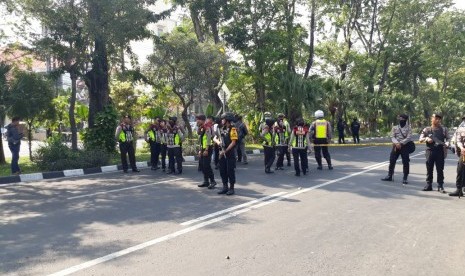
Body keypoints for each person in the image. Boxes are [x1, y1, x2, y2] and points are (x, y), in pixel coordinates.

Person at [419, 113, 449, 192]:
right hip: (430, 151)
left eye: (439, 119)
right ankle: (429, 185)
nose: (438, 120)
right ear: (432, 119)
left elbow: (448, 139)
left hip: (440, 151)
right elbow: (420, 139)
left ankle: (440, 185)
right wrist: (426, 139)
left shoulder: (444, 129)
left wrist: (447, 143)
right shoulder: (427, 129)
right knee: (429, 169)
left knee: (440, 169)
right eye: (436, 118)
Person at [381, 114, 412, 184]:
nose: (400, 120)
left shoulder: (409, 128)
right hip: (396, 146)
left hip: (404, 147)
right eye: (400, 118)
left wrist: (400, 143)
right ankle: (389, 176)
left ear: (405, 120)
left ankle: (405, 177)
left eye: (402, 119)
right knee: (392, 160)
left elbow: (409, 138)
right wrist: (397, 143)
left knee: (406, 162)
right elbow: (392, 136)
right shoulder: (395, 127)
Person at [214, 112, 238, 195]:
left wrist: (226, 150)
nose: (222, 120)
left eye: (223, 119)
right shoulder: (221, 129)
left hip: (229, 153)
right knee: (222, 170)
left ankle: (231, 188)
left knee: (230, 171)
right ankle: (225, 187)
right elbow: (215, 138)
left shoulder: (233, 129)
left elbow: (233, 142)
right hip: (221, 153)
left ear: (227, 120)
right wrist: (218, 142)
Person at [196, 114, 217, 189]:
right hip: (202, 148)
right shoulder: (202, 127)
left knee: (206, 165)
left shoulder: (207, 127)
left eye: (197, 119)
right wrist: (200, 150)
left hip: (208, 148)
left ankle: (212, 181)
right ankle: (206, 181)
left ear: (201, 120)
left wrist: (206, 150)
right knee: (202, 165)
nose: (196, 121)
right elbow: (199, 136)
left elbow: (208, 138)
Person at [449, 119, 465, 197]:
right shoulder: (460, 129)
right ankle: (459, 190)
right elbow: (458, 141)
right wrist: (461, 148)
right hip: (464, 152)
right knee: (460, 170)